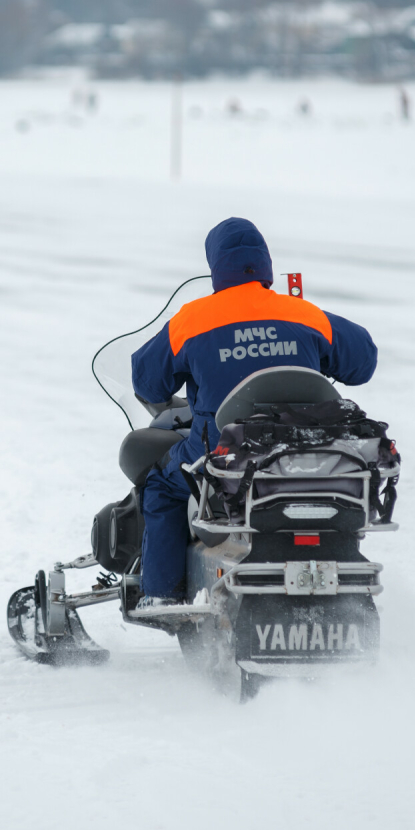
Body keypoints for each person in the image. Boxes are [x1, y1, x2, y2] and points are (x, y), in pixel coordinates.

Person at [129, 218, 378, 607]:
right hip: (303, 451)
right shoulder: (302, 313)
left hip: (222, 454)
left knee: (160, 485)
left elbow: (146, 382)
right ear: (264, 264)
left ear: (216, 266)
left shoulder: (193, 319)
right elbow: (362, 363)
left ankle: (162, 595)